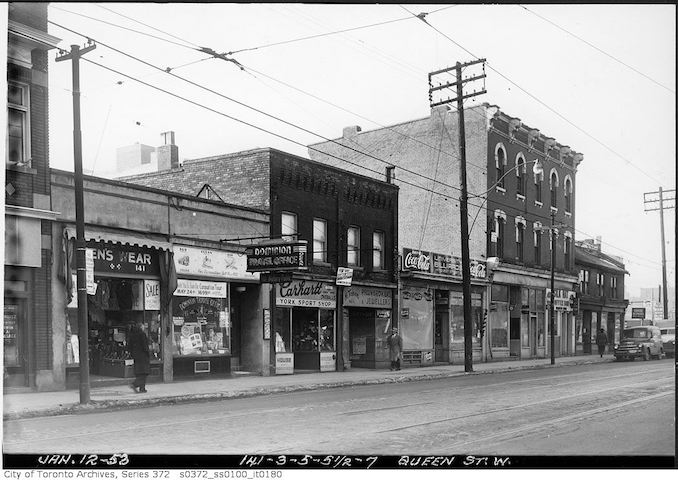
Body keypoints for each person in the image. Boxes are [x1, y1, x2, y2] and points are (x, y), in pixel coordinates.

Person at [127, 319, 150, 393]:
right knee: (144, 372)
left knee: (139, 372)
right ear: (140, 327)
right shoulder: (142, 334)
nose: (144, 328)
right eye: (143, 327)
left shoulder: (132, 335)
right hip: (143, 355)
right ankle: (134, 384)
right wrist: (148, 353)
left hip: (136, 356)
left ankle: (142, 388)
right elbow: (145, 345)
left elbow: (129, 346)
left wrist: (132, 353)